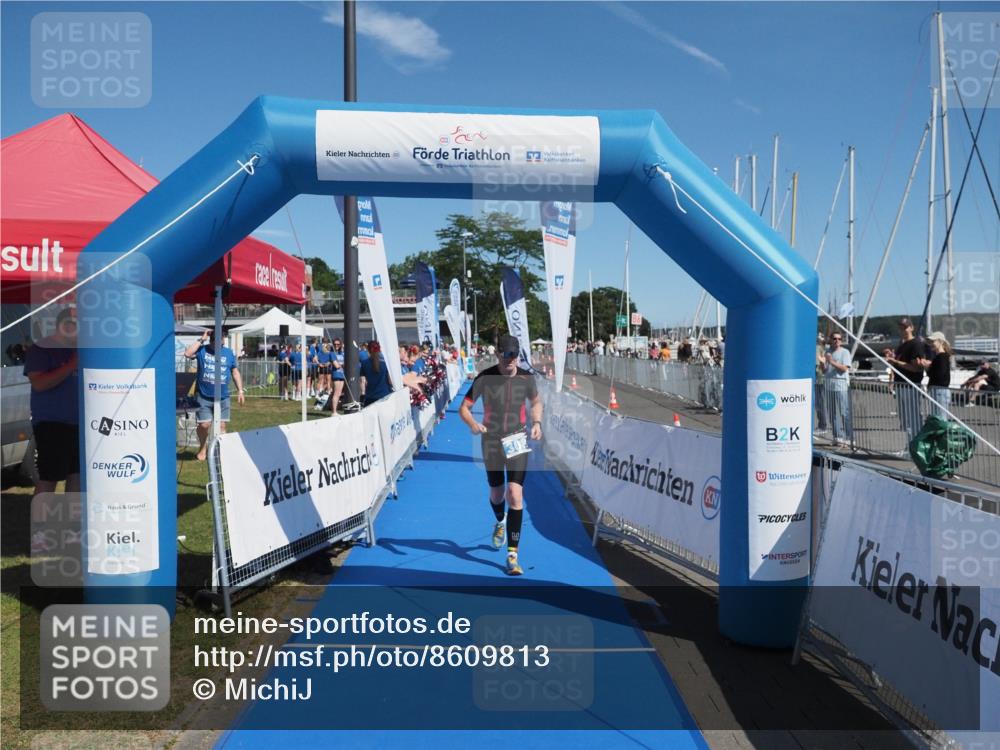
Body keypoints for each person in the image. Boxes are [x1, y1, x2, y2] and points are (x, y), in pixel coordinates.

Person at [458, 334, 543, 577]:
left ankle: (512, 554)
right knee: (497, 493)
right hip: (492, 441)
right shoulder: (485, 378)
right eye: (505, 355)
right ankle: (500, 521)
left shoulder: (527, 378)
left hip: (517, 439)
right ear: (497, 354)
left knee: (515, 493)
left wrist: (537, 421)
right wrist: (473, 424)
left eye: (514, 356)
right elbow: (464, 408)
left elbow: (536, 403)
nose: (510, 360)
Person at [23, 307, 79, 498]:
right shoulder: (41, 349)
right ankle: (41, 527)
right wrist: (72, 364)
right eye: (72, 324)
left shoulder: (82, 350)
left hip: (80, 424)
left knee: (77, 475)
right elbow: (39, 383)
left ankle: (72, 525)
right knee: (49, 478)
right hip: (52, 424)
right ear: (59, 325)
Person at [184, 329, 244, 461]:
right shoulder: (202, 350)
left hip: (223, 396)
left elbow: (235, 372)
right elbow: (188, 354)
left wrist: (240, 390)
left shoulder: (228, 353)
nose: (222, 340)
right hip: (203, 396)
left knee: (222, 426)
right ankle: (202, 448)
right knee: (204, 425)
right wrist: (202, 338)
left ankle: (220, 451)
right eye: (219, 337)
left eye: (222, 337)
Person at [882, 318, 926, 443]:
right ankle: (910, 445)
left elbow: (916, 368)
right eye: (901, 327)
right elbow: (898, 364)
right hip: (900, 385)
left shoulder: (916, 344)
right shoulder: (901, 345)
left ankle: (916, 446)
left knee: (913, 418)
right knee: (905, 418)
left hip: (910, 385)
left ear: (911, 328)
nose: (903, 329)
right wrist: (892, 358)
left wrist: (895, 361)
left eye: (905, 327)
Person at [823, 333, 852, 444]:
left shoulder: (845, 352)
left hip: (841, 386)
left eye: (839, 339)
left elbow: (844, 368)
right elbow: (826, 370)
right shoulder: (828, 352)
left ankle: (849, 437)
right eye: (834, 338)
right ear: (830, 339)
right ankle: (837, 436)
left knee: (844, 412)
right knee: (832, 413)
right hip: (829, 385)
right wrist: (823, 364)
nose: (837, 340)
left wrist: (831, 361)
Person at [920, 332, 953, 418]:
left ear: (941, 342)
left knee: (940, 419)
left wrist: (927, 367)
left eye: (933, 341)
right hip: (938, 390)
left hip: (939, 390)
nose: (931, 344)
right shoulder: (941, 356)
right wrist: (929, 366)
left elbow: (939, 375)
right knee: (938, 418)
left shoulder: (942, 357)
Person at [327, 338, 347, 414]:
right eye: (335, 344)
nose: (336, 346)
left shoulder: (342, 353)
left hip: (342, 375)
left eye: (338, 344)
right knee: (336, 393)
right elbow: (336, 365)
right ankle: (334, 412)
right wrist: (343, 365)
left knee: (338, 393)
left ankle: (333, 410)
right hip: (336, 375)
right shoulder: (332, 353)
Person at [814, 333, 829, 433]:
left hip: (818, 378)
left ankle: (822, 426)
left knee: (819, 403)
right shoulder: (819, 348)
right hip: (818, 378)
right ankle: (822, 425)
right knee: (818, 403)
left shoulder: (818, 348)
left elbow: (818, 364)